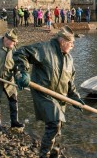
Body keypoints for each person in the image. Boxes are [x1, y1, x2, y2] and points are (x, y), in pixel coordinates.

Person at [13, 26, 85, 158]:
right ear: (63, 41)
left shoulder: (69, 59)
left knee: (58, 128)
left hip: (60, 97)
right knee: (55, 122)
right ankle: (43, 154)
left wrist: (75, 98)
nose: (73, 46)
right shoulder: (44, 49)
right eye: (71, 43)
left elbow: (70, 83)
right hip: (44, 93)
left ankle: (54, 151)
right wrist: (23, 72)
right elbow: (20, 53)